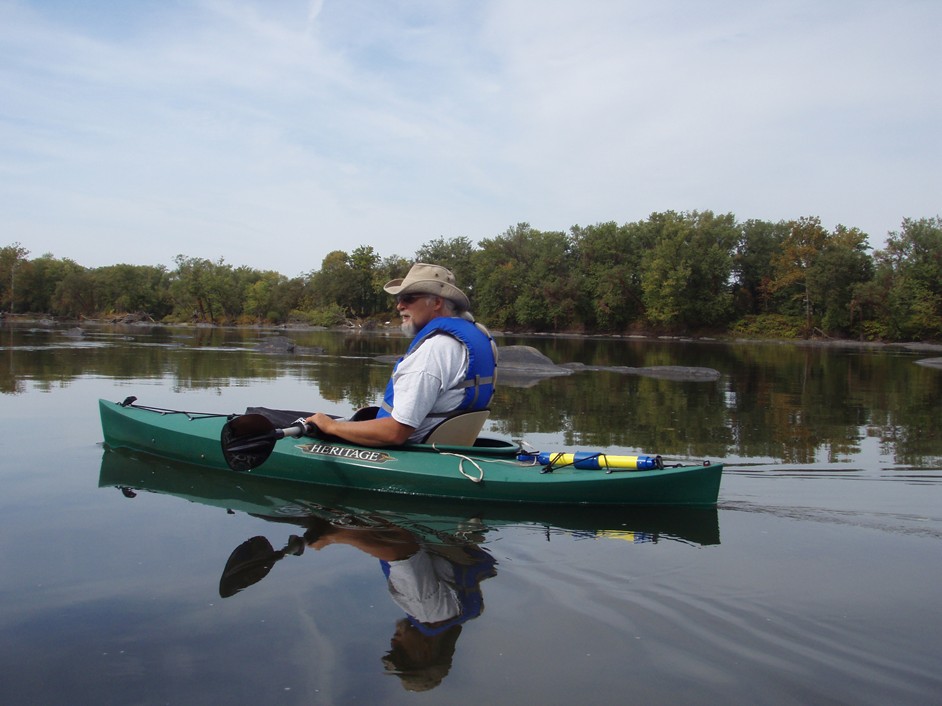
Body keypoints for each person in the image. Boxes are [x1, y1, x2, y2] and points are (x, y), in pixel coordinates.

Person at [305, 263, 497, 446]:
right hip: (445, 447)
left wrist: (331, 426)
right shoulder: (460, 342)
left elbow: (395, 433)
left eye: (409, 298)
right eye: (399, 299)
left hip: (409, 450)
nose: (399, 306)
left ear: (437, 302)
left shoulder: (433, 351)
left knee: (305, 422)